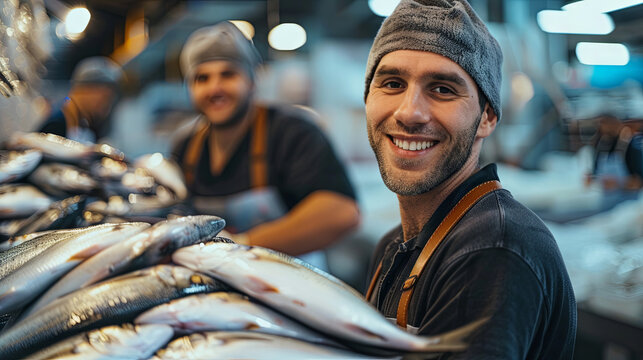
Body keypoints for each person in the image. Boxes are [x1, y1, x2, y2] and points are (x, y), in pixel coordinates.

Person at [362, 0, 576, 358]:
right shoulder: (393, 245)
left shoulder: (493, 250)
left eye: (443, 89)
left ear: (487, 117)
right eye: (393, 83)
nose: (409, 112)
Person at [172, 22, 360, 266]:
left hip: (292, 283)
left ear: (252, 80)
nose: (215, 88)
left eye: (228, 74)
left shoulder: (292, 132)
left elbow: (341, 213)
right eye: (202, 78)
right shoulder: (186, 145)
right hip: (217, 282)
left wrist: (240, 244)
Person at [39, 56, 124, 143]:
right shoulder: (56, 123)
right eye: (105, 96)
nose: (107, 104)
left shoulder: (85, 124)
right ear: (86, 89)